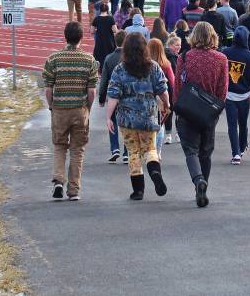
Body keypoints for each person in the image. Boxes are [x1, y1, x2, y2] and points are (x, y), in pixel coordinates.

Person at [106, 34, 171, 201]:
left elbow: (113, 95)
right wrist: (166, 105)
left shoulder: (120, 69)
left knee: (133, 152)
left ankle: (138, 191)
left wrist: (108, 117)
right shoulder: (154, 67)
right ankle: (156, 174)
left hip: (126, 119)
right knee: (150, 149)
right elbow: (163, 90)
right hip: (148, 116)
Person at [43, 21, 99, 201]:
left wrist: (51, 106)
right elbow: (91, 91)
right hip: (79, 109)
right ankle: (73, 190)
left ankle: (58, 180)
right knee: (77, 149)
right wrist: (88, 108)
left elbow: (48, 89)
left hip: (59, 108)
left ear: (65, 36)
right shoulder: (89, 60)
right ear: (81, 37)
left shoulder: (53, 59)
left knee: (60, 146)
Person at [222, 26, 250, 164]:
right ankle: (242, 147)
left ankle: (236, 153)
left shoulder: (225, 52)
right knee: (242, 123)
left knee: (232, 125)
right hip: (244, 95)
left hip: (229, 94)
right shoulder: (249, 55)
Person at [98, 30, 127, 162]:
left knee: (112, 120)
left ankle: (115, 148)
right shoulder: (129, 57)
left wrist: (101, 97)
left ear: (115, 42)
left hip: (112, 94)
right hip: (127, 94)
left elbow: (103, 79)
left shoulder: (109, 58)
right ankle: (127, 151)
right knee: (127, 122)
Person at [90, 2, 118, 69]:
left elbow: (92, 31)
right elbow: (115, 30)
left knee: (99, 55)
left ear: (100, 10)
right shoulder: (111, 18)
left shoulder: (96, 19)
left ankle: (100, 68)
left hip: (100, 40)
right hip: (109, 40)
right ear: (108, 10)